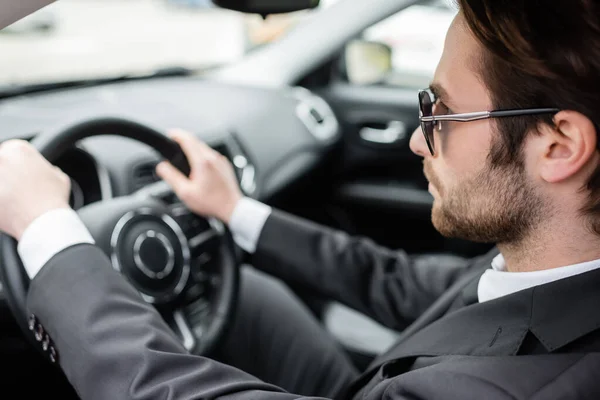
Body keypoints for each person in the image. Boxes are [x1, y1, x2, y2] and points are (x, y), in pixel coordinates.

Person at [1, 0, 600, 399]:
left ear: (557, 146)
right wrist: (236, 212)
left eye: (440, 111)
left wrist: (48, 232)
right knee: (252, 297)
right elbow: (395, 280)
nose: (419, 138)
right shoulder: (551, 268)